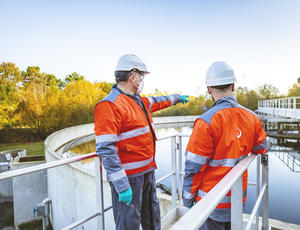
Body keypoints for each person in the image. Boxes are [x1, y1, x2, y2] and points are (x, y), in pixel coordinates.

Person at [94, 54, 189, 230]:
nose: (143, 80)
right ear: (133, 76)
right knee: (129, 224)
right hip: (129, 179)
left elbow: (160, 101)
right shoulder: (110, 105)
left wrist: (177, 97)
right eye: (142, 75)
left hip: (147, 173)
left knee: (152, 218)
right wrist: (122, 186)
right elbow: (106, 150)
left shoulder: (139, 102)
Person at [182, 61, 268, 230]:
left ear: (208, 89)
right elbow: (261, 147)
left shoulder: (206, 122)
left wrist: (187, 200)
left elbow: (193, 167)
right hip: (237, 200)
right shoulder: (252, 118)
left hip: (210, 204)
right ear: (233, 85)